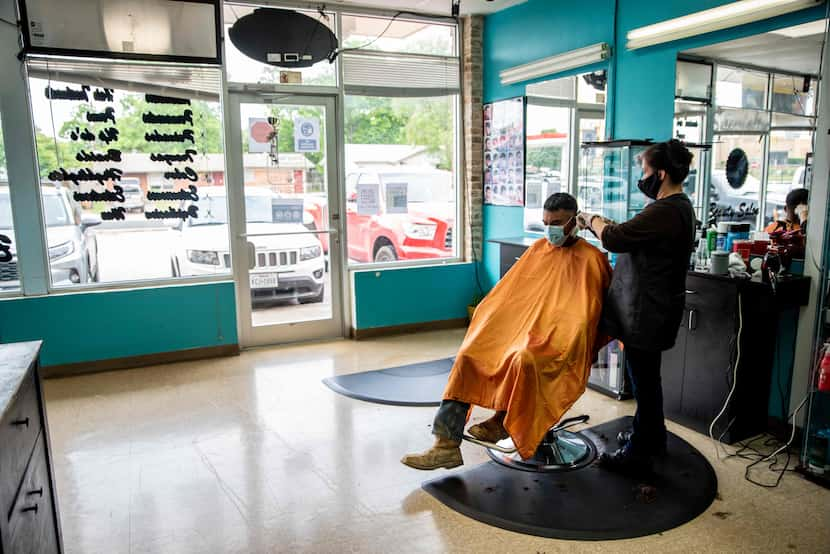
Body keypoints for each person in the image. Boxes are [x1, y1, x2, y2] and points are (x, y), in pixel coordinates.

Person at [402, 193, 612, 470]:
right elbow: (509, 296)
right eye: (546, 222)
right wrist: (488, 319)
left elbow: (586, 316)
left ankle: (503, 420)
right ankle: (445, 445)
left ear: (574, 220)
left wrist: (553, 335)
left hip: (559, 342)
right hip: (521, 332)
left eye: (558, 222)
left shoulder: (591, 259)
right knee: (469, 355)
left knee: (523, 359)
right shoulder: (538, 249)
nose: (551, 229)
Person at [577, 139, 695, 475]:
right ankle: (651, 436)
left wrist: (592, 219)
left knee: (644, 381)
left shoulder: (667, 209)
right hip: (654, 308)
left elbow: (614, 239)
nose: (642, 177)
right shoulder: (676, 207)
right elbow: (632, 234)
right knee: (646, 378)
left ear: (660, 173)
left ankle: (640, 451)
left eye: (644, 170)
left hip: (648, 312)